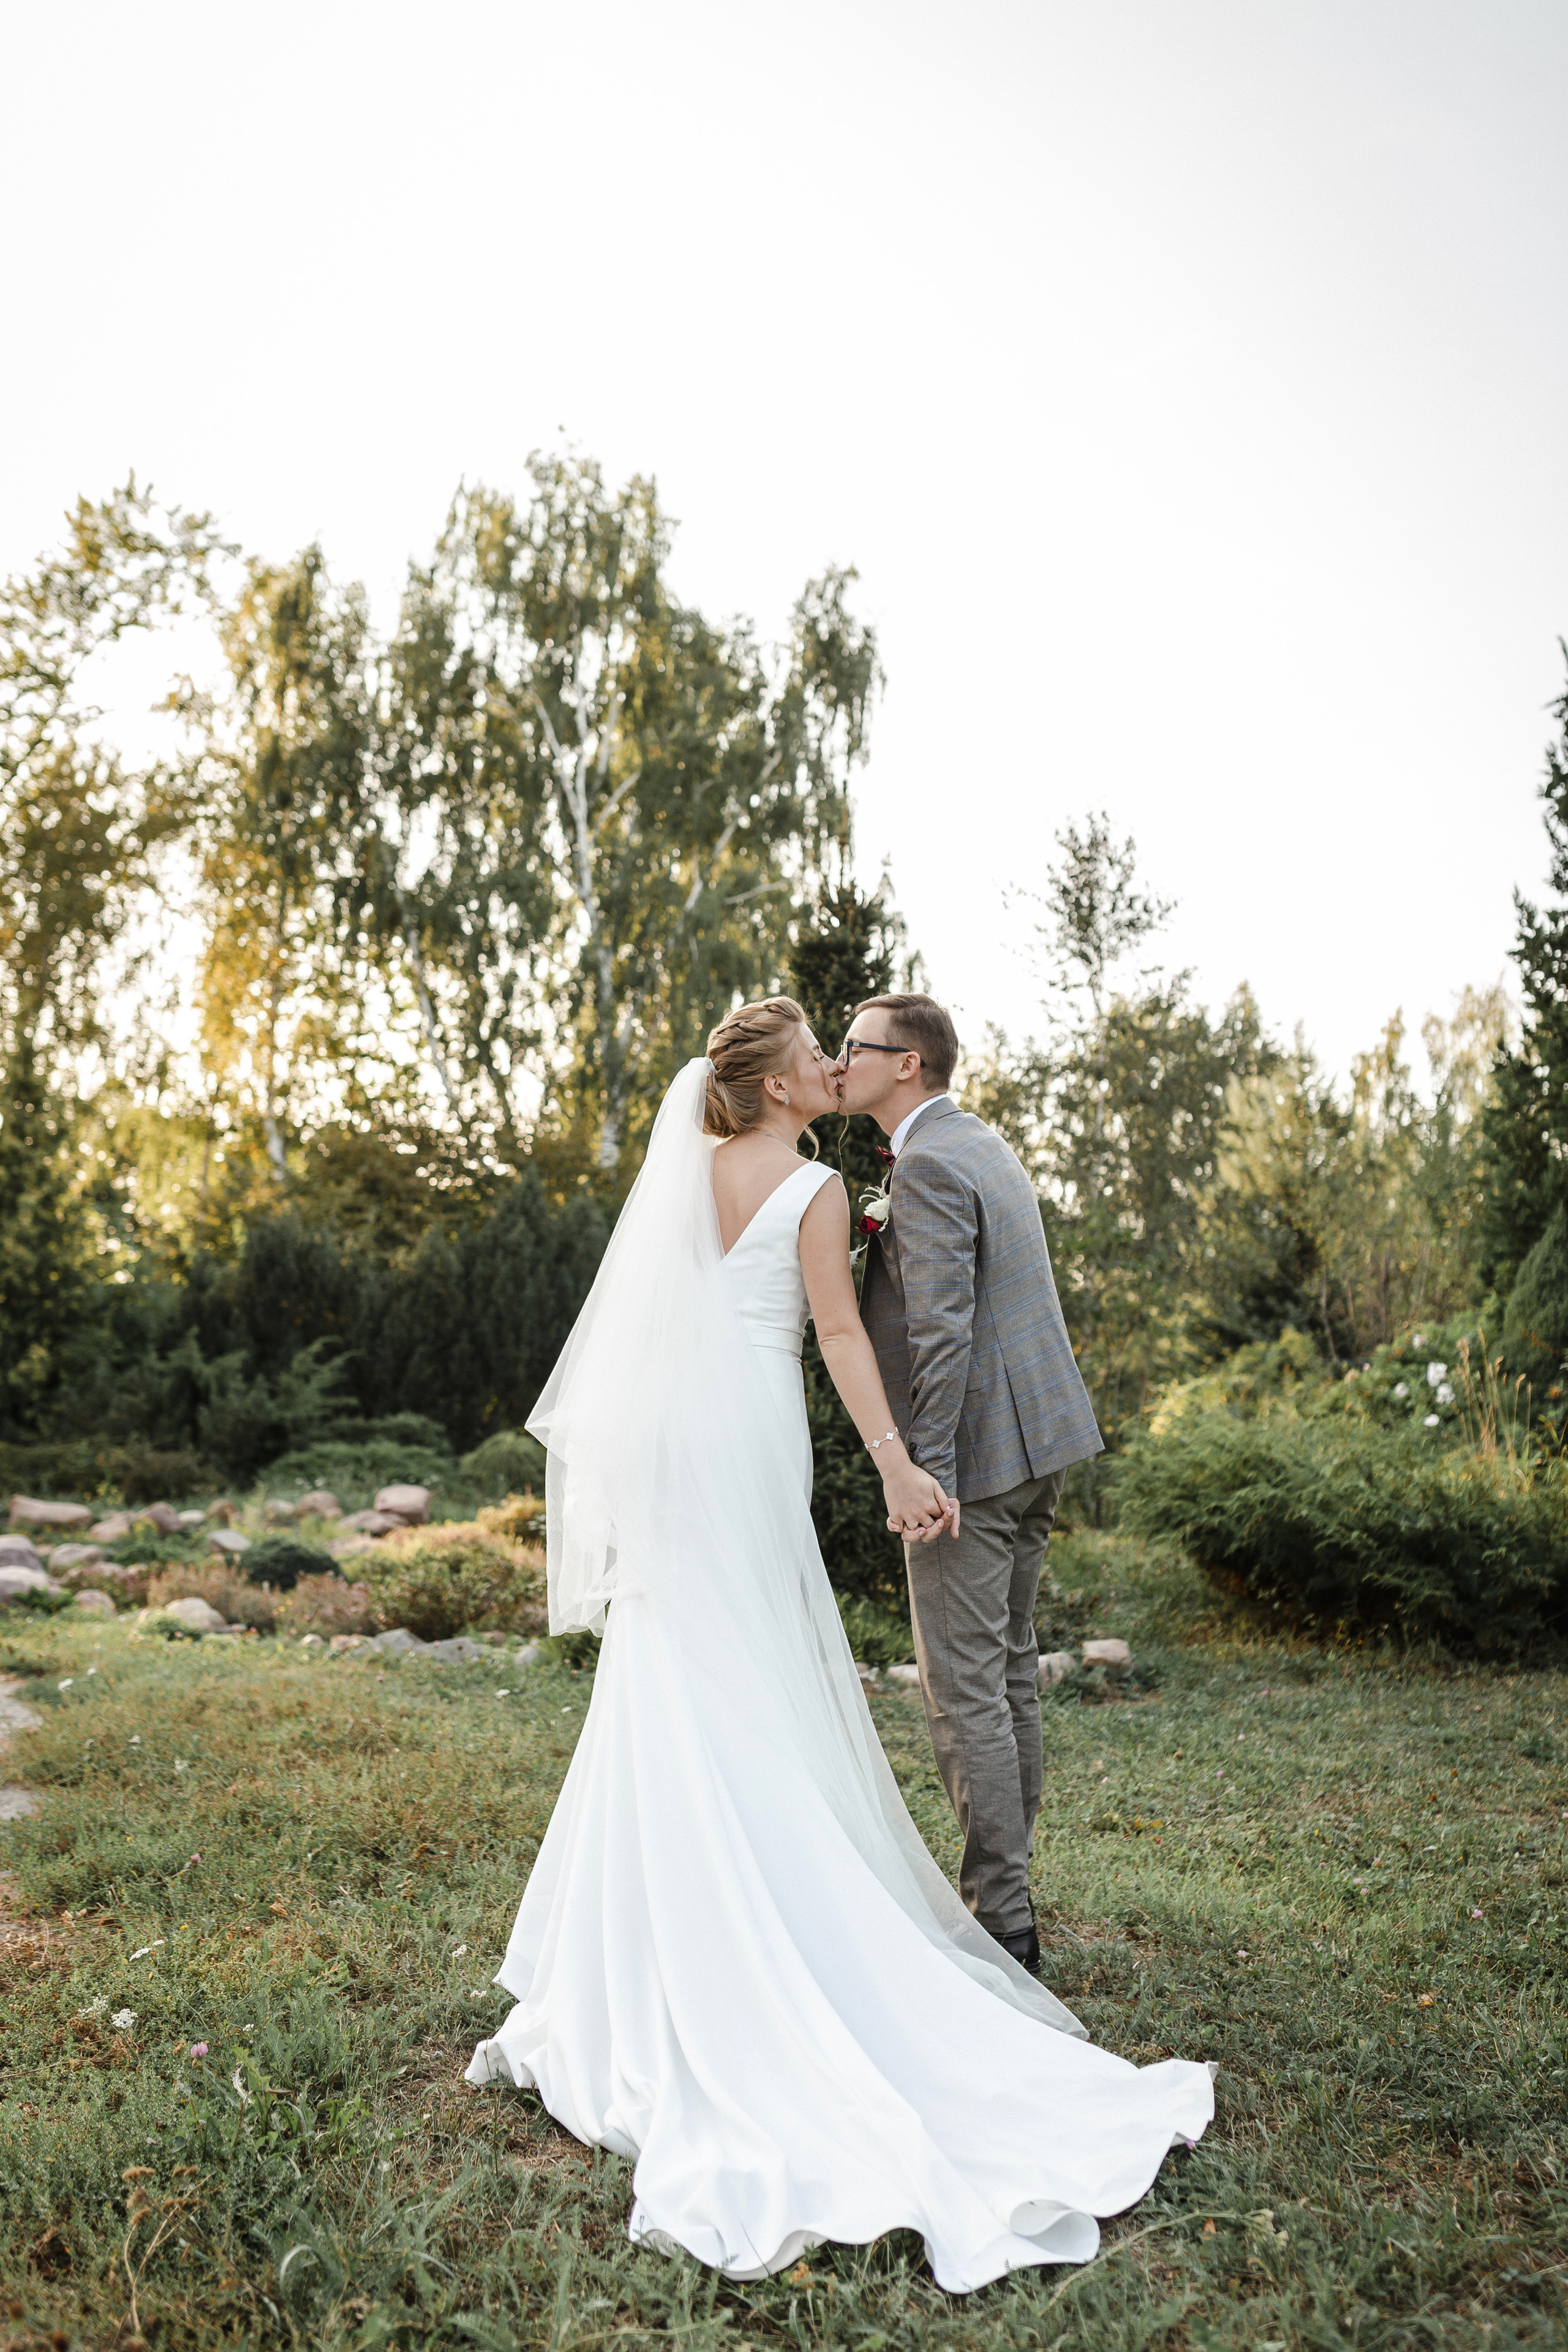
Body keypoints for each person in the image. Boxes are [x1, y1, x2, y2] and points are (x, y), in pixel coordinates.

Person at [467, 997, 1212, 2291]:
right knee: (752, 1659)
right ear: (770, 1087)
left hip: (669, 1448)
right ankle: (808, 1926)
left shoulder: (683, 1172)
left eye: (841, 1050)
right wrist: (890, 1461)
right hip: (749, 1442)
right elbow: (841, 1332)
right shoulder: (812, 1188)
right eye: (814, 1055)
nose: (829, 1066)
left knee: (675, 1669)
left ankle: (638, 1953)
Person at [837, 993, 1102, 1976]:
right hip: (1039, 1447)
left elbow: (941, 1333)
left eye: (854, 1046)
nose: (838, 1058)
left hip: (976, 1463)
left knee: (963, 1692)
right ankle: (1013, 1893)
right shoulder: (974, 1139)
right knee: (1008, 1668)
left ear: (907, 1063)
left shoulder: (932, 1161)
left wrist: (926, 1477)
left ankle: (1000, 1923)